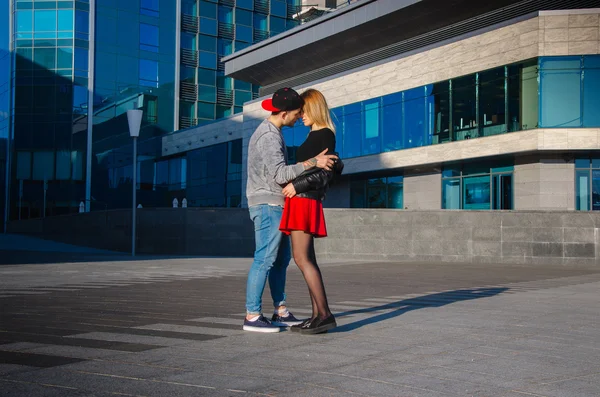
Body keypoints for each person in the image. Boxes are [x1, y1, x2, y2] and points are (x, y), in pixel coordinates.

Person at [244, 87, 338, 333]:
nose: (299, 118)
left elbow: (330, 168)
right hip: (269, 203)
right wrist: (309, 165)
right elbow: (280, 174)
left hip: (287, 203)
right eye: (297, 113)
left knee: (284, 260)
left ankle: (283, 311)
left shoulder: (281, 134)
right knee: (266, 258)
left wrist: (303, 180)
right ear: (284, 113)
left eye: (303, 112)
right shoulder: (268, 135)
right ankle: (253, 315)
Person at [279, 88, 343, 335]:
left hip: (304, 199)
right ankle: (317, 315)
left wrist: (297, 184)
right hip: (302, 200)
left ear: (313, 108)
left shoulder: (324, 134)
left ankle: (325, 314)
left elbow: (325, 173)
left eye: (303, 110)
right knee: (308, 259)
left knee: (301, 258)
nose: (300, 115)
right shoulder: (314, 135)